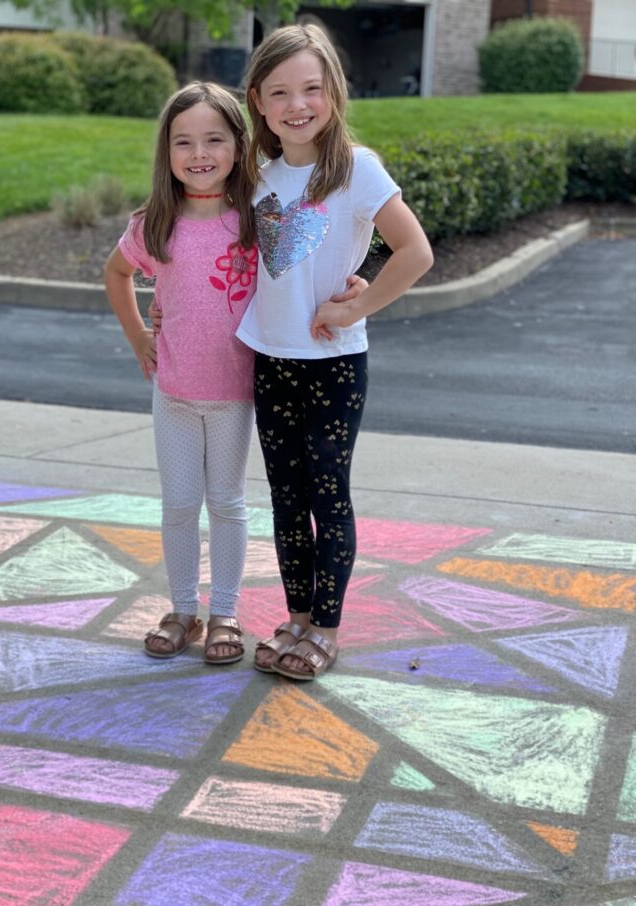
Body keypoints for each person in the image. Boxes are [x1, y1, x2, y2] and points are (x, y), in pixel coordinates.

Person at [240, 24, 434, 681]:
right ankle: (295, 617)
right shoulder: (260, 175)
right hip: (271, 359)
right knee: (285, 499)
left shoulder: (355, 169)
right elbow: (256, 264)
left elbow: (415, 252)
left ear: (333, 93)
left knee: (327, 496)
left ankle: (325, 628)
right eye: (281, 93)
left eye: (311, 89)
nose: (298, 105)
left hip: (333, 364)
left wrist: (358, 303)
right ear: (259, 103)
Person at [104, 81, 258, 664]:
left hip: (234, 394)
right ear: (167, 152)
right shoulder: (155, 224)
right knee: (177, 505)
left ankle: (225, 612)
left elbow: (298, 276)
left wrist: (352, 284)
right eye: (184, 142)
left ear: (239, 147)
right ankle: (183, 610)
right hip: (173, 394)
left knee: (226, 502)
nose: (200, 153)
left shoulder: (254, 221)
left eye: (215, 139)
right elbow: (116, 274)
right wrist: (140, 334)